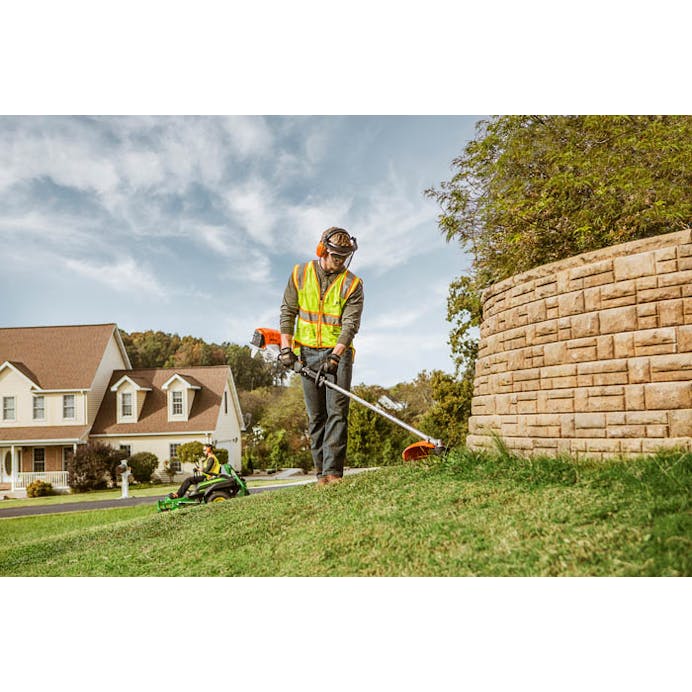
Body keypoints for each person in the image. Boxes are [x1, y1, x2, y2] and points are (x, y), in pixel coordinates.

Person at [279, 227, 364, 485]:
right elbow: (287, 312)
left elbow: (350, 325)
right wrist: (286, 349)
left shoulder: (353, 284)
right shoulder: (300, 274)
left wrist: (335, 356)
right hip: (305, 353)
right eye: (336, 256)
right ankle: (320, 475)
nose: (340, 261)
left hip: (338, 355)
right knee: (315, 416)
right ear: (322, 250)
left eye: (344, 257)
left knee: (337, 412)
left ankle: (333, 473)